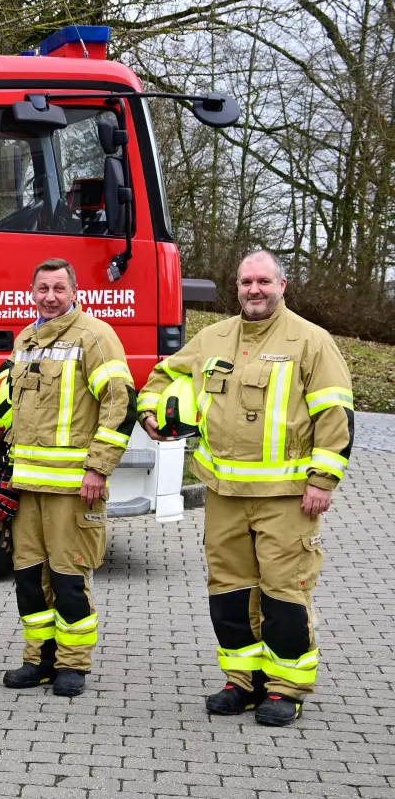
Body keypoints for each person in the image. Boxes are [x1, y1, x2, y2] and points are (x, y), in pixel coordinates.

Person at [139, 250, 353, 726]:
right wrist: (150, 412)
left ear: (283, 286)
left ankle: (286, 688)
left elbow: (336, 416)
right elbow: (163, 375)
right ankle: (244, 683)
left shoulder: (311, 341)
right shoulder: (213, 337)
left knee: (284, 594)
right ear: (236, 287)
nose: (254, 290)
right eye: (245, 282)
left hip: (288, 497)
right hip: (225, 495)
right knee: (230, 593)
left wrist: (323, 480)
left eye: (263, 281)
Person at [0, 258, 133, 697]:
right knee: (29, 578)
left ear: (74, 291)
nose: (50, 296)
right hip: (26, 486)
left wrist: (98, 468)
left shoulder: (95, 336)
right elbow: (17, 399)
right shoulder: (26, 339)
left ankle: (73, 664)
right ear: (32, 291)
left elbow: (119, 403)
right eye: (42, 288)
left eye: (58, 288)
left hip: (71, 487)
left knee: (69, 579)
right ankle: (38, 660)